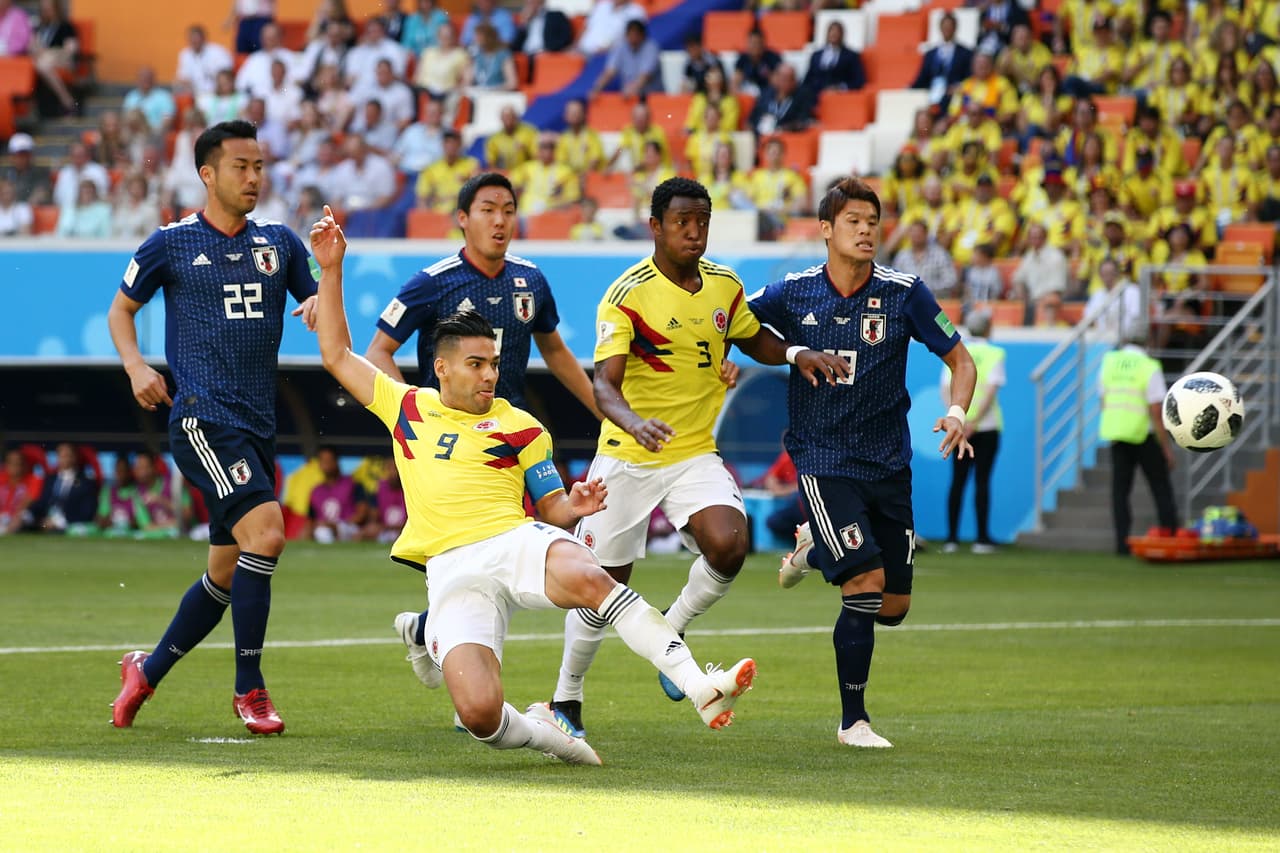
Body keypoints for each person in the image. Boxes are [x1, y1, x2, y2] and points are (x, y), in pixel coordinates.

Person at [311, 213, 759, 763]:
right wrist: (331, 269)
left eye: (494, 364)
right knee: (479, 715)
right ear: (441, 368)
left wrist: (574, 505)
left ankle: (698, 685)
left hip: (514, 541)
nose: (489, 375)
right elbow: (336, 354)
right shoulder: (406, 405)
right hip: (452, 569)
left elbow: (551, 508)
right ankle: (549, 732)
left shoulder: (521, 425)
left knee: (592, 577)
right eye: (475, 365)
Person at [543, 177, 850, 737]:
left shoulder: (724, 285)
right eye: (682, 221)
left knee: (731, 544)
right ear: (655, 227)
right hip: (627, 457)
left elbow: (751, 336)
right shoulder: (626, 294)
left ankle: (675, 625)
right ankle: (567, 697)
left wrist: (796, 352)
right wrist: (634, 423)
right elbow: (604, 384)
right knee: (599, 585)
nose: (694, 231)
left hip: (692, 454)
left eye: (702, 221)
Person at [106, 120, 319, 735]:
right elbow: (122, 309)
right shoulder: (170, 244)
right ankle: (250, 688)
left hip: (257, 428)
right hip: (203, 419)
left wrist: (323, 286)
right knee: (268, 533)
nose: (254, 178)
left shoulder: (280, 243)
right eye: (240, 167)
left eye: (259, 166)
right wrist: (135, 365)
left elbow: (319, 307)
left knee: (225, 574)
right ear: (208, 174)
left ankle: (145, 671)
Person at [754, 177, 976, 748]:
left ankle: (814, 549)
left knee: (893, 606)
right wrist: (768, 355)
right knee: (865, 582)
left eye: (873, 222)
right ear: (826, 229)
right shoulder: (794, 291)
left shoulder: (905, 293)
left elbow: (961, 359)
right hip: (823, 458)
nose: (866, 230)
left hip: (888, 463)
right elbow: (738, 325)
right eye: (853, 221)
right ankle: (853, 722)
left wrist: (956, 411)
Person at [1098, 328, 1177, 555]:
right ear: (1148, 342)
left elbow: (1103, 398)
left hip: (1117, 432)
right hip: (1144, 433)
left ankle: (1122, 545)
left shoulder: (1110, 361)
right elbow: (1156, 409)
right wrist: (1167, 448)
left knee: (1120, 492)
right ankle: (1170, 538)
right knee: (1160, 487)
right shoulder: (1149, 366)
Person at [941, 310, 1004, 554]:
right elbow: (990, 390)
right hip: (986, 427)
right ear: (988, 328)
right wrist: (974, 422)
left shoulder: (956, 351)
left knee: (957, 482)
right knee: (982, 481)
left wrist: (957, 419)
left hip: (958, 427)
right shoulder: (995, 353)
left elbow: (946, 389)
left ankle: (951, 539)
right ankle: (981, 539)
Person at [24, 442, 99, 533]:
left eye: (67, 455)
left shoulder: (86, 483)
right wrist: (28, 513)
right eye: (61, 456)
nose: (64, 459)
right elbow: (42, 502)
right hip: (45, 522)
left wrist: (61, 521)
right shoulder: (50, 480)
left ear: (75, 457)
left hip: (69, 526)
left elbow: (88, 511)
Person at [306, 445, 369, 542]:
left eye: (329, 460)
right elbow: (310, 520)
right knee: (319, 531)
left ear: (336, 461)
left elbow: (362, 515)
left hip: (349, 528)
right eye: (323, 461)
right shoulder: (315, 491)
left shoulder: (353, 484)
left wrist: (337, 525)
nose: (326, 464)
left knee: (324, 531)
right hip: (322, 529)